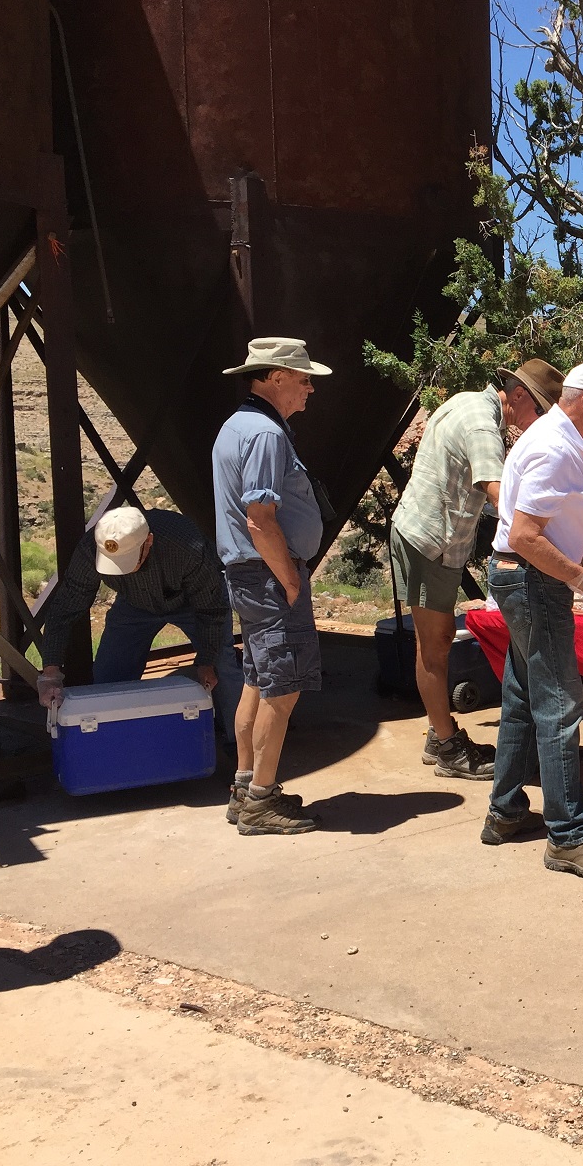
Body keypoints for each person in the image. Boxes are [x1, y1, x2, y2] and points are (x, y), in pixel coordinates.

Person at [483, 359, 583, 878]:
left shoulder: (556, 440)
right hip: (534, 583)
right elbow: (527, 535)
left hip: (522, 579)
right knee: (559, 704)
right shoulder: (556, 447)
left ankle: (506, 811)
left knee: (524, 694)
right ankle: (568, 836)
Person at [389, 359, 565, 779]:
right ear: (518, 395)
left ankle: (439, 732)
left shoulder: (467, 403)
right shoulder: (483, 426)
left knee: (438, 640)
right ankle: (446, 745)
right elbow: (499, 495)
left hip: (434, 540)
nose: (536, 420)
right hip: (429, 542)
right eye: (538, 409)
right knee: (433, 645)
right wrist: (546, 538)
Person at [212, 337, 330, 835]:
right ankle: (261, 801)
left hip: (248, 575)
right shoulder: (265, 434)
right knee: (283, 689)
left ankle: (245, 787)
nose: (309, 389)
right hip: (267, 577)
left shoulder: (239, 426)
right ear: (276, 377)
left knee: (258, 683)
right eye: (304, 379)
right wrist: (289, 580)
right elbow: (260, 519)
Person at [36, 506, 243, 742]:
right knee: (109, 675)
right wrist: (50, 672)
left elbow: (212, 610)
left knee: (221, 666)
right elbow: (65, 607)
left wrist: (206, 660)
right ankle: (112, 740)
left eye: (127, 561)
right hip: (134, 605)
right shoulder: (90, 549)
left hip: (193, 602)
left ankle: (239, 743)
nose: (122, 570)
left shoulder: (187, 546)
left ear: (149, 541)